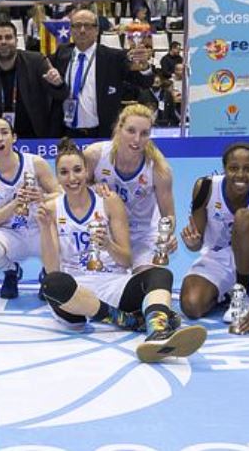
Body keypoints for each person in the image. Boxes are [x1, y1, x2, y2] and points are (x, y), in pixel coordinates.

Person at [36, 138, 206, 362]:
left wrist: (107, 244)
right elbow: (52, 268)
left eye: (77, 170)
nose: (72, 178)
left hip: (112, 283)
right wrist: (47, 227)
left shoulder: (109, 201)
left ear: (87, 171)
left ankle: (156, 331)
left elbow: (126, 260)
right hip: (75, 293)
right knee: (52, 283)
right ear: (57, 177)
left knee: (161, 274)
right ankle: (128, 320)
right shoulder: (51, 209)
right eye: (64, 172)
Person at [179, 143, 249, 331]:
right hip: (216, 259)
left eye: (248, 169)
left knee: (244, 217)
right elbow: (196, 243)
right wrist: (192, 242)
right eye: (234, 168)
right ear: (224, 168)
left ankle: (242, 292)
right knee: (191, 306)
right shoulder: (205, 187)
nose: (240, 175)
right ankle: (226, 294)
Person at [83, 104, 176, 273]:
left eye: (144, 133)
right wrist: (91, 189)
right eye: (131, 131)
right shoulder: (95, 155)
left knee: (145, 283)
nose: (137, 139)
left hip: (143, 236)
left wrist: (166, 237)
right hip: (107, 235)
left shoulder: (159, 169)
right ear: (119, 128)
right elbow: (71, 190)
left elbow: (168, 215)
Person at [0, 117, 60, 299]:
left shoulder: (35, 163)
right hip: (11, 234)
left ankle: (48, 273)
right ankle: (11, 271)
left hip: (40, 230)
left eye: (4, 133)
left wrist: (42, 197)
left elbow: (61, 194)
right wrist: (14, 205)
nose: (0, 138)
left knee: (68, 238)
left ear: (14, 137)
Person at [49, 8, 153, 137]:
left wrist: (144, 66)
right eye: (77, 26)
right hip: (66, 133)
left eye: (87, 26)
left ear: (97, 30)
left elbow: (145, 82)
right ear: (71, 29)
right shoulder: (61, 54)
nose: (82, 30)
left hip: (101, 133)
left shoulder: (113, 57)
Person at [0, 22, 67, 138]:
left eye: (8, 37)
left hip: (37, 136)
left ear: (17, 41)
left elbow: (61, 95)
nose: (3, 42)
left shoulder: (36, 61)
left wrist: (58, 84)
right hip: (1, 138)